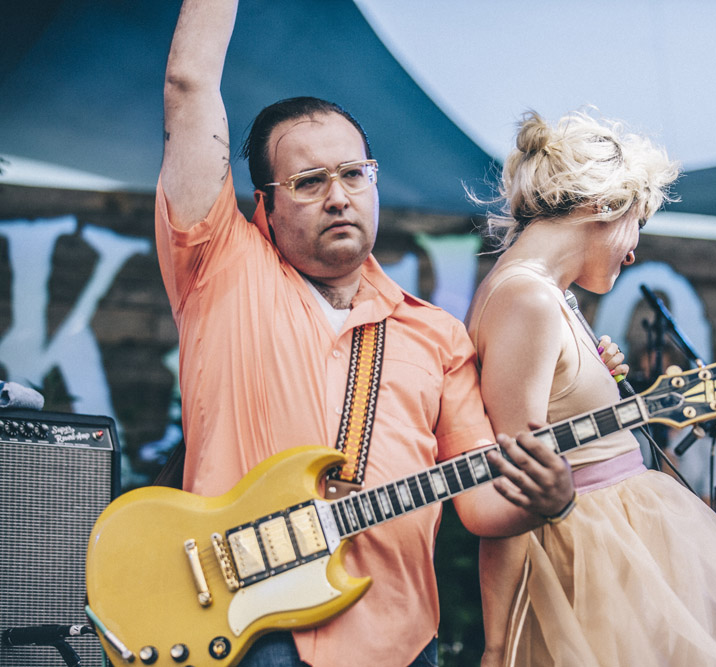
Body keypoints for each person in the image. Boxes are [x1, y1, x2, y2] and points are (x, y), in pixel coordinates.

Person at [156, 2, 574, 666]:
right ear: (261, 204)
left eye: (354, 174)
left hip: (395, 639)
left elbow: (482, 503)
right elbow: (189, 86)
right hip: (242, 630)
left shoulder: (436, 335)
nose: (340, 196)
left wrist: (544, 499)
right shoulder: (218, 266)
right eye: (309, 181)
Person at [466, 109, 716, 667]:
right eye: (637, 224)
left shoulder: (546, 296)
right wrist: (499, 646)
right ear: (599, 207)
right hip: (593, 560)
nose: (632, 252)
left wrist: (590, 378)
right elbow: (516, 486)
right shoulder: (526, 299)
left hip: (617, 546)